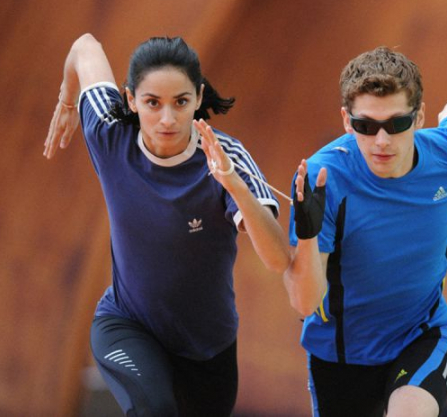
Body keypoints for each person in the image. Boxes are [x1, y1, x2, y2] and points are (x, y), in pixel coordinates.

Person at [44, 33, 291, 416]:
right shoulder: (110, 134)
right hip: (127, 325)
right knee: (154, 409)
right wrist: (66, 99)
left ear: (198, 97)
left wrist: (233, 184)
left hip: (209, 350)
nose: (167, 118)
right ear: (130, 99)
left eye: (180, 102)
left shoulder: (226, 158)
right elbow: (86, 45)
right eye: (152, 103)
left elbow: (278, 259)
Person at [284, 46, 447, 417]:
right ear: (347, 121)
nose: (381, 141)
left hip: (422, 334)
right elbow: (303, 302)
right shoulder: (323, 179)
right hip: (341, 355)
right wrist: (308, 235)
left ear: (420, 116)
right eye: (365, 126)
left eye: (397, 124)